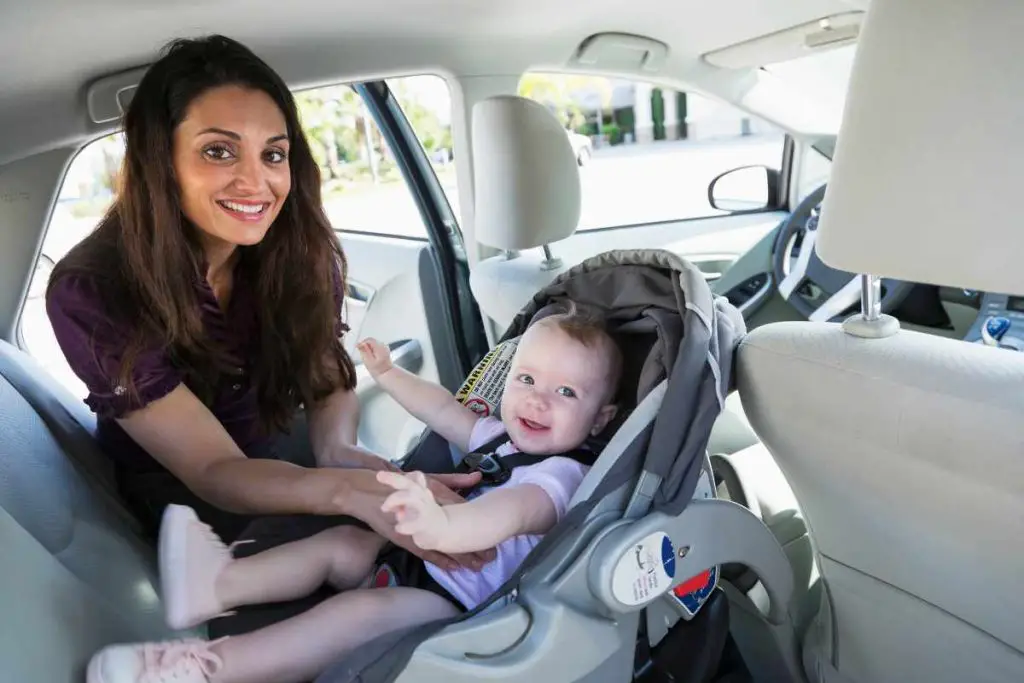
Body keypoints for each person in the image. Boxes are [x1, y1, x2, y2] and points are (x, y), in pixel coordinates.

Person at [43, 34, 479, 566]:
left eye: (273, 154)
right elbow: (212, 470)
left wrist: (340, 453)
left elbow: (325, 379)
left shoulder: (299, 252)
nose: (256, 182)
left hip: (279, 457)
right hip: (185, 501)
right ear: (162, 161)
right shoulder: (92, 290)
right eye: (218, 151)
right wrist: (345, 493)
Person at [86, 307, 624, 683]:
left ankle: (205, 669)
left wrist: (442, 528)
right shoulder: (501, 437)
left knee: (362, 613)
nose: (537, 401)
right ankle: (220, 582)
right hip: (417, 557)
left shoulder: (563, 475)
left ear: (601, 418)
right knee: (343, 544)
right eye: (527, 379)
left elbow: (510, 513)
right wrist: (388, 375)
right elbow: (442, 411)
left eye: (566, 392)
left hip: (462, 604)